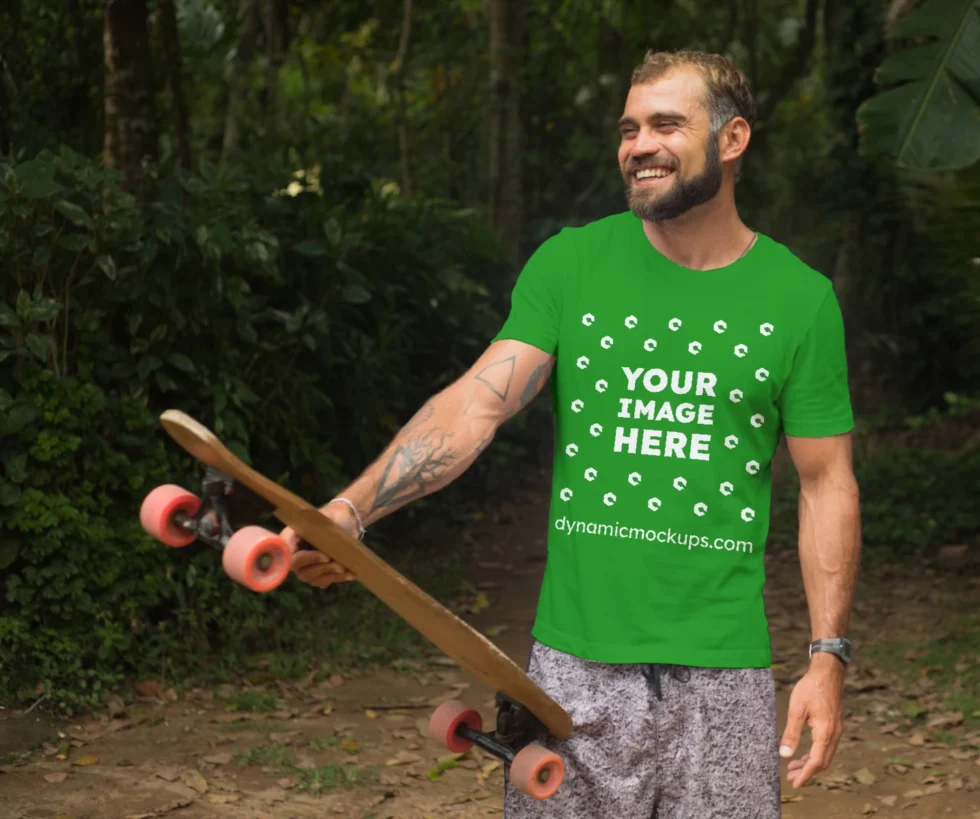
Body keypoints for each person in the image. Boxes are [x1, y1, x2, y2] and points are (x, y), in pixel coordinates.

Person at [283, 49, 861, 819]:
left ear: (732, 140)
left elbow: (826, 482)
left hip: (724, 679)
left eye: (665, 123)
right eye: (628, 128)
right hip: (574, 673)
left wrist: (827, 658)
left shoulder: (800, 300)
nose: (638, 144)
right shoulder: (573, 265)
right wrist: (351, 512)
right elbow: (474, 407)